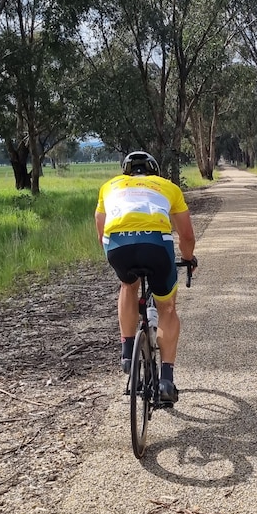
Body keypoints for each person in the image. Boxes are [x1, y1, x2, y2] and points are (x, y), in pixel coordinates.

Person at [94, 151, 197, 403]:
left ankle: (127, 353)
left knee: (128, 285)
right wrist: (188, 258)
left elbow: (101, 234)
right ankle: (166, 381)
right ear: (154, 171)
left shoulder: (109, 186)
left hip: (118, 245)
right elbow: (186, 236)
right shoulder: (168, 187)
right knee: (167, 307)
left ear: (125, 172)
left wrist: (120, 259)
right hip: (155, 245)